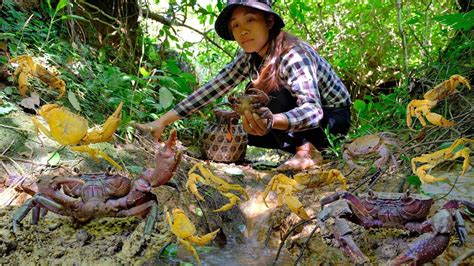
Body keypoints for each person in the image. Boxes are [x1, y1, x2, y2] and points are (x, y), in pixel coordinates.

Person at [138, 0, 351, 171]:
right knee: (243, 120)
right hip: (289, 122)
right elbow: (214, 87)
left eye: (250, 20)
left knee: (270, 91)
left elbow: (313, 111)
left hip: (330, 121)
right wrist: (162, 121)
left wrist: (271, 120)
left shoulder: (294, 54)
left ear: (268, 22)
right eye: (236, 25)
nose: (243, 31)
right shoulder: (249, 57)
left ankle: (307, 151)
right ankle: (294, 145)